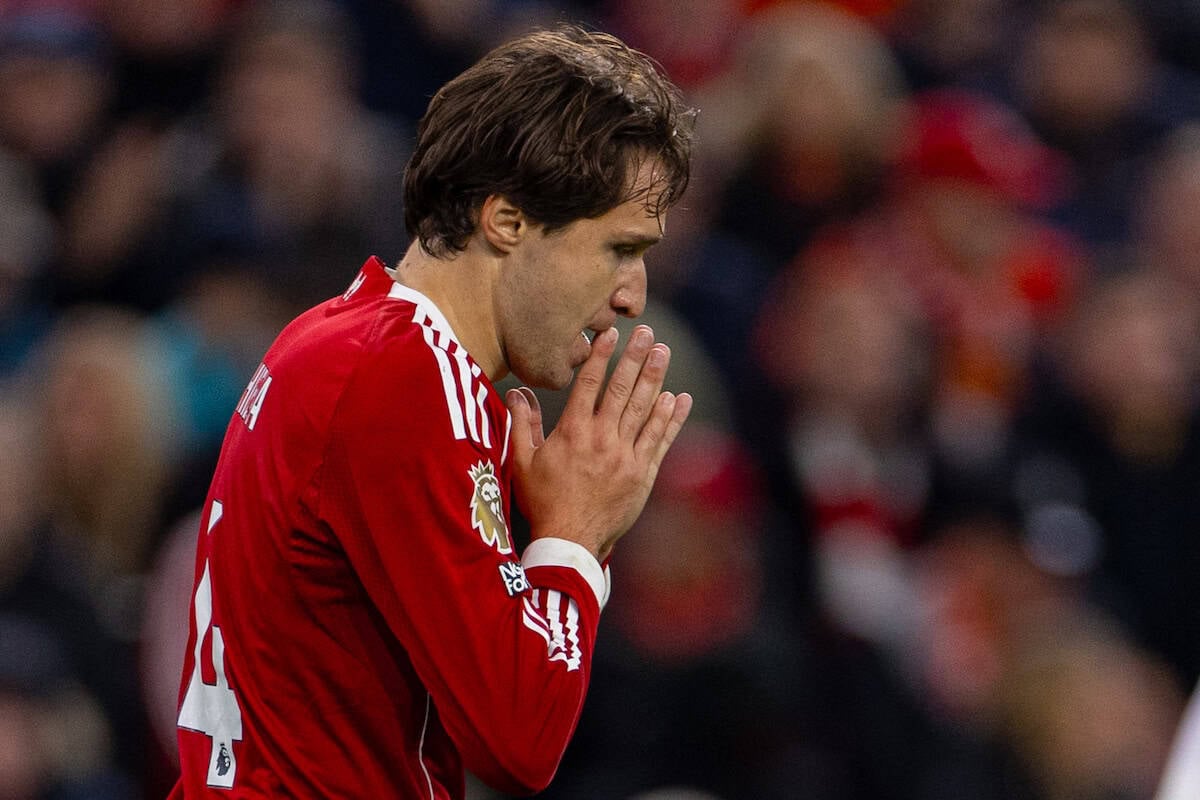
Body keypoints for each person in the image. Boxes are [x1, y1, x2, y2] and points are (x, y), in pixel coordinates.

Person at [168, 24, 695, 799]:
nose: (632, 296)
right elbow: (518, 739)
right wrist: (577, 536)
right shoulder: (406, 376)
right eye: (618, 248)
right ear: (507, 219)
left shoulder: (342, 334)